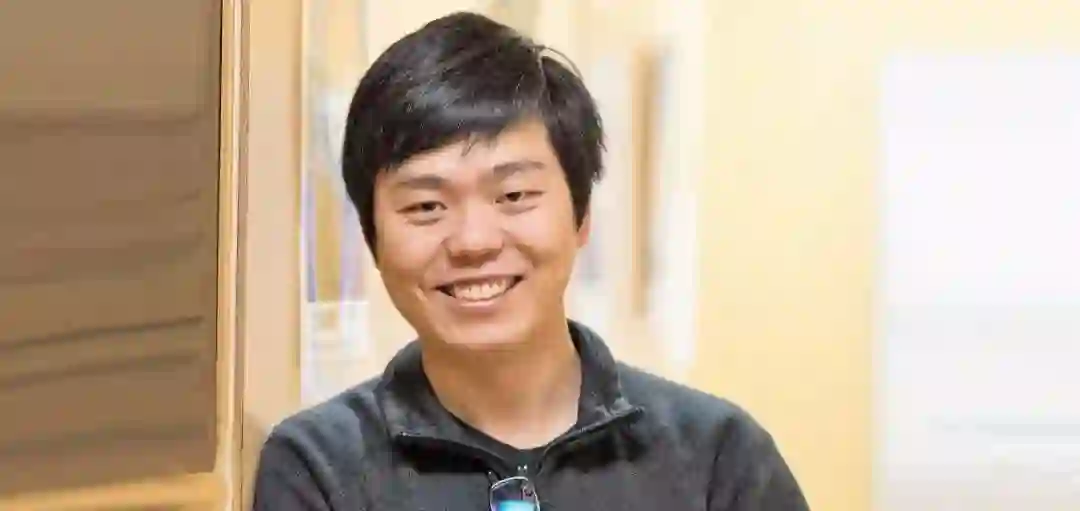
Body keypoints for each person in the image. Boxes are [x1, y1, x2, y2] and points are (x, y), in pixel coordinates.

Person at [253, 11, 809, 511]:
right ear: (372, 237)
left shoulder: (718, 460)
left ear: (581, 215)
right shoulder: (319, 469)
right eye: (426, 206)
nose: (473, 241)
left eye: (514, 195)